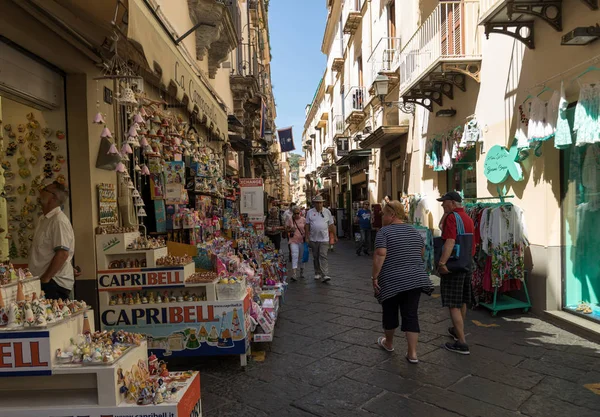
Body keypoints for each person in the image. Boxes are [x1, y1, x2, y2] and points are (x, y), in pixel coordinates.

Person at [371, 200, 431, 362]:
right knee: (411, 314)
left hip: (392, 280)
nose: (382, 216)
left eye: (383, 214)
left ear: (392, 215)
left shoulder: (384, 232)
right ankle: (412, 353)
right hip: (415, 279)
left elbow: (380, 254)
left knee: (390, 312)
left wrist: (375, 276)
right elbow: (422, 252)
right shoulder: (414, 231)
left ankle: (388, 343)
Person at [436, 191, 476, 355]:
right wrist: (445, 214)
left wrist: (442, 262)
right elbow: (440, 226)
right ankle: (456, 330)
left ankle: (461, 342)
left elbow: (450, 241)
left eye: (444, 202)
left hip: (453, 265)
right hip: (466, 263)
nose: (442, 205)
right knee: (462, 301)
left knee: (453, 304)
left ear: (452, 202)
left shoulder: (453, 218)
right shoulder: (467, 218)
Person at [29, 181, 75, 300]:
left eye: (45, 189)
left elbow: (63, 253)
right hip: (42, 281)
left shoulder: (59, 221)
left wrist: (46, 278)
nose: (40, 191)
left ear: (53, 197)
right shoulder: (43, 219)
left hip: (54, 283)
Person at [305, 195, 335, 283]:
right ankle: (317, 272)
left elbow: (331, 225)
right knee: (315, 256)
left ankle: (325, 274)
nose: (319, 204)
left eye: (320, 202)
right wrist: (307, 236)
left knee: (323, 255)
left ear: (323, 203)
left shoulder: (327, 212)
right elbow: (307, 225)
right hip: (314, 239)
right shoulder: (310, 212)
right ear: (314, 203)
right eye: (317, 203)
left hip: (324, 238)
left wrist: (335, 236)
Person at [285, 207, 306, 281]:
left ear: (300, 213)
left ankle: (302, 270)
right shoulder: (290, 219)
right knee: (294, 255)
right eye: (295, 213)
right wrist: (290, 229)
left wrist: (307, 237)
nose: (297, 215)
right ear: (293, 213)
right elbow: (286, 228)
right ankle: (294, 273)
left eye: (298, 213)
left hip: (302, 241)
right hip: (293, 240)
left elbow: (307, 229)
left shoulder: (303, 219)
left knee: (301, 256)